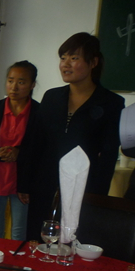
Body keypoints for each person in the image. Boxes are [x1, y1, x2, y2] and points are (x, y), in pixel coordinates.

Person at [27, 32, 124, 239]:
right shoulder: (52, 97)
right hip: (45, 186)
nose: (65, 64)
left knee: (74, 243)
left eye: (74, 58)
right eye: (63, 58)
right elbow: (35, 142)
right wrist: (25, 184)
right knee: (38, 242)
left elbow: (108, 156)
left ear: (93, 62)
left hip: (83, 189)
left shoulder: (111, 103)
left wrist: (97, 195)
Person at [0, 61, 41, 241]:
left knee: (19, 233)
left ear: (32, 85)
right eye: (10, 81)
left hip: (23, 180)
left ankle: (16, 261)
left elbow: (41, 148)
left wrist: (19, 153)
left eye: (21, 82)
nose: (14, 87)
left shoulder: (39, 112)